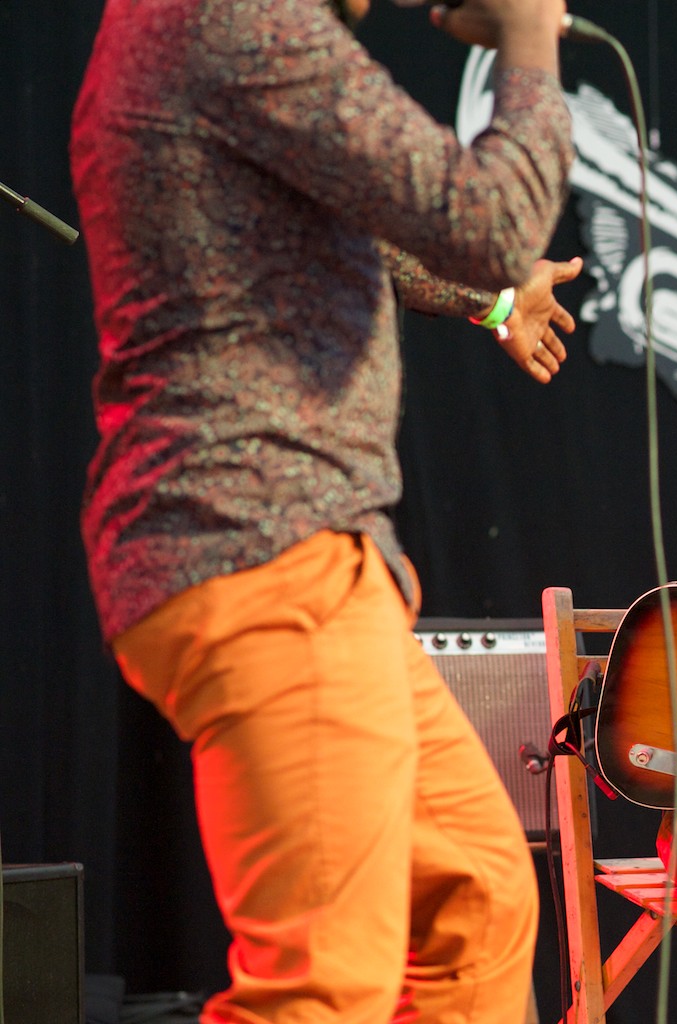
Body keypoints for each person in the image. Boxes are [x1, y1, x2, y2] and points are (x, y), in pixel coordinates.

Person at [70, 0, 575, 1020]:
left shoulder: (199, 32)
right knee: (320, 986)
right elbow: (488, 224)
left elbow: (377, 229)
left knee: (476, 902)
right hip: (262, 542)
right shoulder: (235, 19)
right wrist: (528, 32)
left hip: (299, 554)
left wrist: (490, 301)